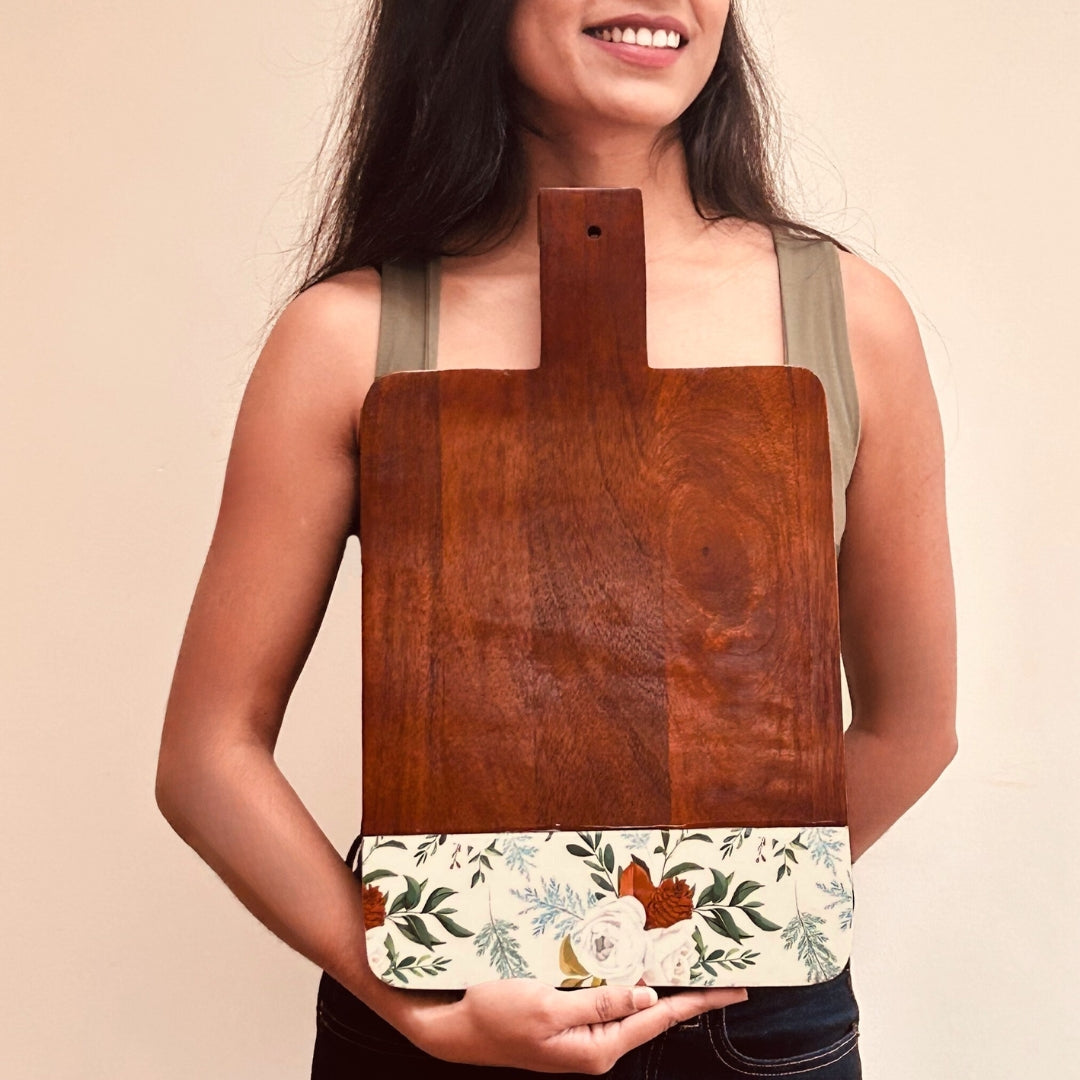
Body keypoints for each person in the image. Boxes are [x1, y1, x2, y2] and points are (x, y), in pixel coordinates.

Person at [155, 1, 957, 1076]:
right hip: (438, 1019)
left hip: (747, 1026)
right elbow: (209, 753)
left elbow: (915, 725)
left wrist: (716, 911)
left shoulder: (851, 320)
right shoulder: (347, 337)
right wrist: (413, 995)